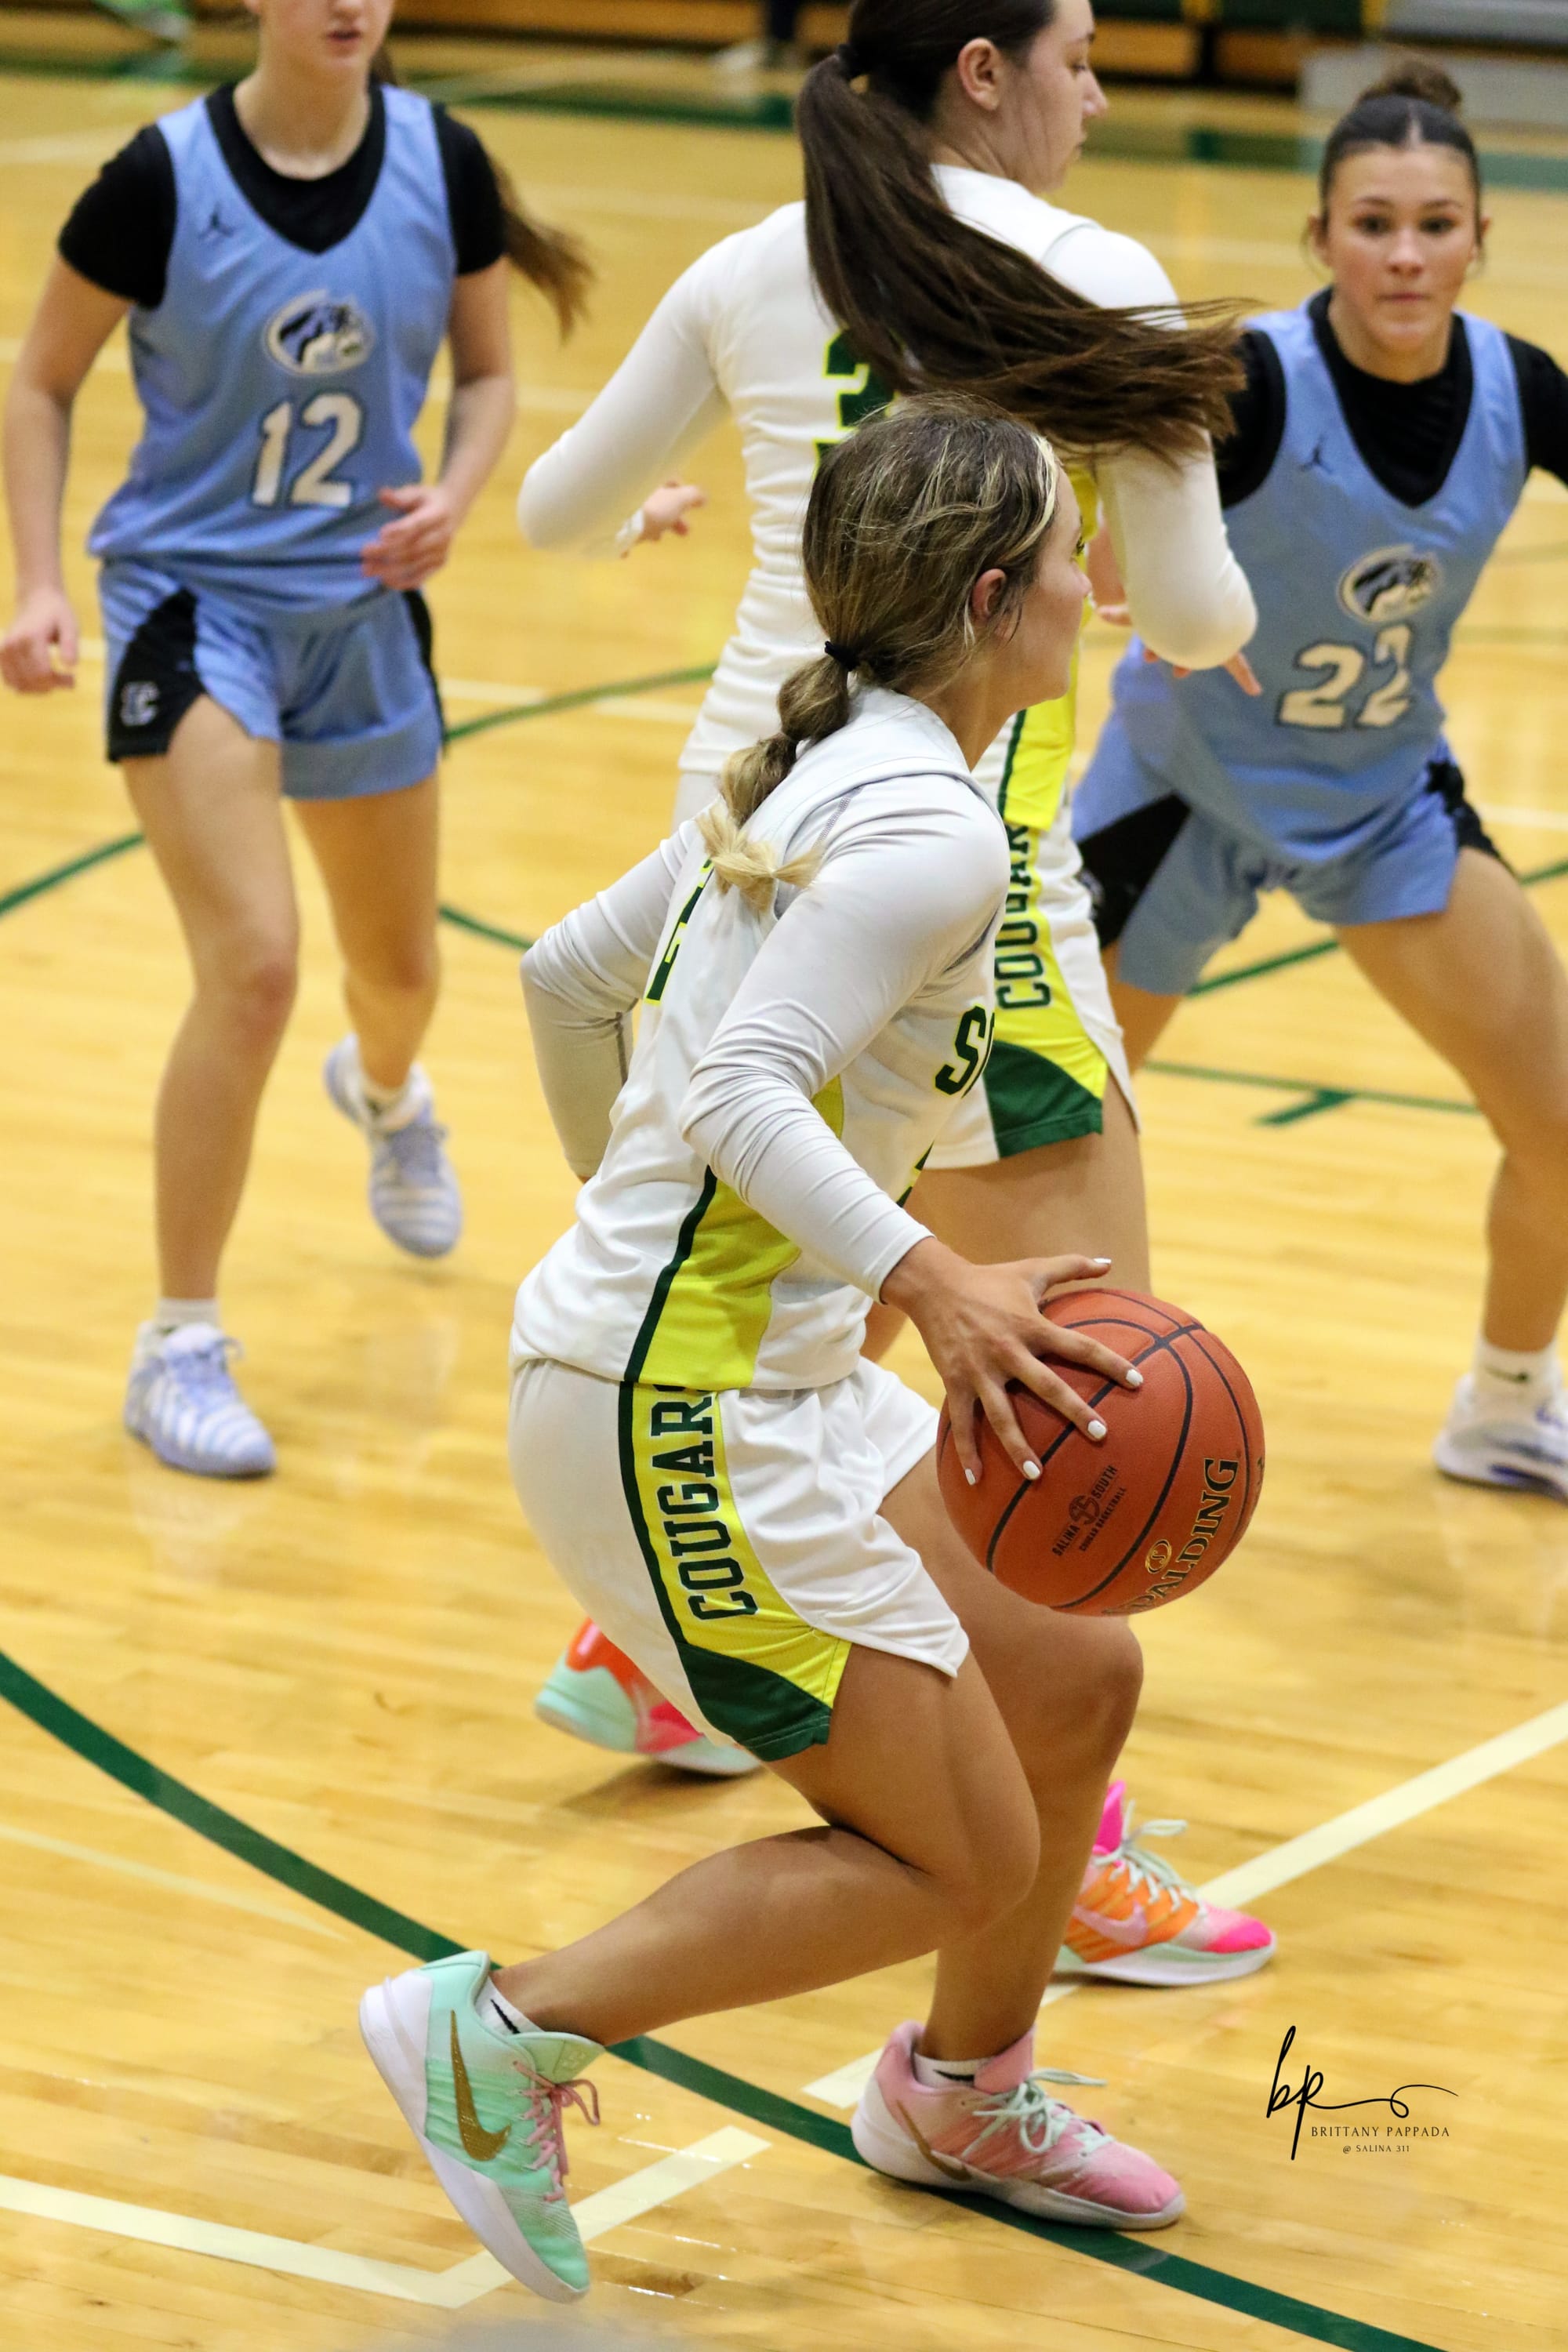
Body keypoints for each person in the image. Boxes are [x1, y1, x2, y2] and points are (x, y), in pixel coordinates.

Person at [363, 400, 1196, 2307]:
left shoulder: (821, 768)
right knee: (959, 1853)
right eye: (1065, 552)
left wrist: (642, 1218)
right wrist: (932, 1279)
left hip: (757, 1378)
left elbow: (564, 976)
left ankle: (961, 2098)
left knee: (1072, 1678)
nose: (1091, 577)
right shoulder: (921, 830)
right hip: (682, 1418)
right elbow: (741, 1085)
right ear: (991, 602)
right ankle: (505, 2026)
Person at [516, 0, 1274, 1991]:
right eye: (1079, 55)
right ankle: (1048, 1848)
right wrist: (1138, 565)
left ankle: (660, 1638)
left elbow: (553, 514)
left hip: (747, 808)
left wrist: (680, 513)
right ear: (983, 71)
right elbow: (1201, 618)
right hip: (956, 856)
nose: (1097, 95)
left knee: (781, 1283)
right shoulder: (1093, 270)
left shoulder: (748, 259)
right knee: (1076, 1401)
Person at [1, 0, 588, 1478]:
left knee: (400, 976)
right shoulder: (158, 179)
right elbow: (40, 379)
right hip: (194, 607)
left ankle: (385, 1093)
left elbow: (491, 374)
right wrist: (39, 583)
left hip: (364, 612)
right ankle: (178, 1344)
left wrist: (454, 491)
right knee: (255, 966)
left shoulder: (443, 161)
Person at [1073, 63, 1568, 1501]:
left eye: (1435, 225)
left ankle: (1504, 1407)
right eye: (1373, 224)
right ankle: (841, 1440)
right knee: (1028, 1144)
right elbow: (1099, 544)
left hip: (1381, 801)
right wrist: (1128, 573)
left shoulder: (1519, 388)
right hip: (1183, 795)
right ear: (1322, 237)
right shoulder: (1247, 380)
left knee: (1558, 1127)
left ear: (1480, 238)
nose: (1405, 254)